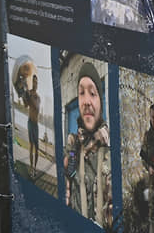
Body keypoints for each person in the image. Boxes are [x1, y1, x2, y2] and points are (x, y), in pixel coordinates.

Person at [64, 62, 112, 228]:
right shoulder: (72, 147)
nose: (86, 101)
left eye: (92, 93)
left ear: (101, 100)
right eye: (81, 93)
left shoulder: (113, 150)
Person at [23, 74, 41, 178]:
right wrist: (24, 95)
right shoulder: (29, 93)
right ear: (32, 82)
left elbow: (36, 106)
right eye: (34, 82)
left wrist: (29, 95)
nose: (36, 84)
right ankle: (31, 168)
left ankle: (35, 167)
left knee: (37, 148)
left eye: (37, 82)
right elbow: (26, 105)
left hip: (36, 124)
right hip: (30, 122)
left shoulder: (37, 97)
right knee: (31, 146)